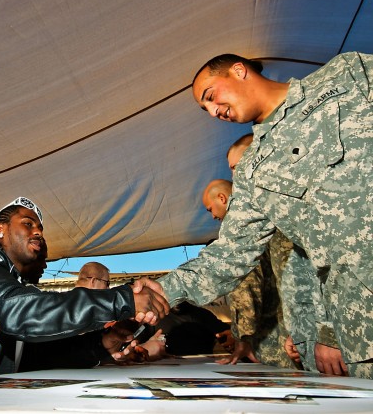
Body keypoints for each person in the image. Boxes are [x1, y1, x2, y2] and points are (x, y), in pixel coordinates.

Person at [157, 51, 372, 378]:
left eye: (211, 96)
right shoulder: (253, 171)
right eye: (207, 110)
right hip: (359, 334)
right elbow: (230, 255)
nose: (214, 112)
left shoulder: (346, 76)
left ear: (239, 71)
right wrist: (159, 292)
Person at [0, 196, 169, 375]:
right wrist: (122, 298)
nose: (38, 232)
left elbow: (34, 357)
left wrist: (100, 345)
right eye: (28, 224)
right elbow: (19, 312)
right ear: (0, 230)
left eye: (40, 228)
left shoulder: (21, 286)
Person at [226, 133, 344, 374]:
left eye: (237, 168)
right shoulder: (276, 210)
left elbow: (247, 283)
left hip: (331, 338)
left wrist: (327, 333)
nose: (235, 177)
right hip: (305, 336)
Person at [203, 179, 296, 369]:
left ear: (222, 198)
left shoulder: (239, 226)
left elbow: (246, 286)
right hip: (292, 329)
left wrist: (242, 338)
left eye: (210, 209)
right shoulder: (268, 216)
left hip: (272, 340)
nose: (212, 216)